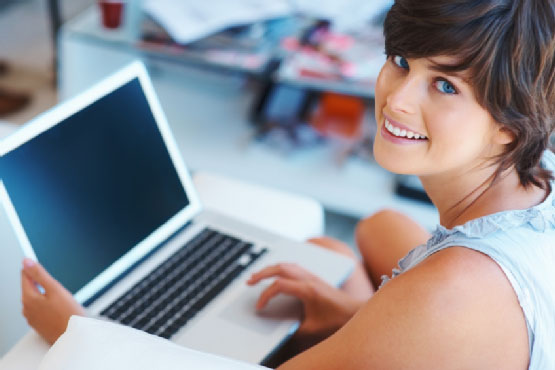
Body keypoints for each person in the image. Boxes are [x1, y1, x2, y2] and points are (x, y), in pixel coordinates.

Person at [20, 0, 554, 368]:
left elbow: (447, 313)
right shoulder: (539, 177)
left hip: (450, 308)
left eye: (444, 85)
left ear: (511, 122)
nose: (397, 100)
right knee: (367, 231)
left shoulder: (454, 293)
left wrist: (81, 334)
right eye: (399, 61)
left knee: (325, 258)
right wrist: (356, 320)